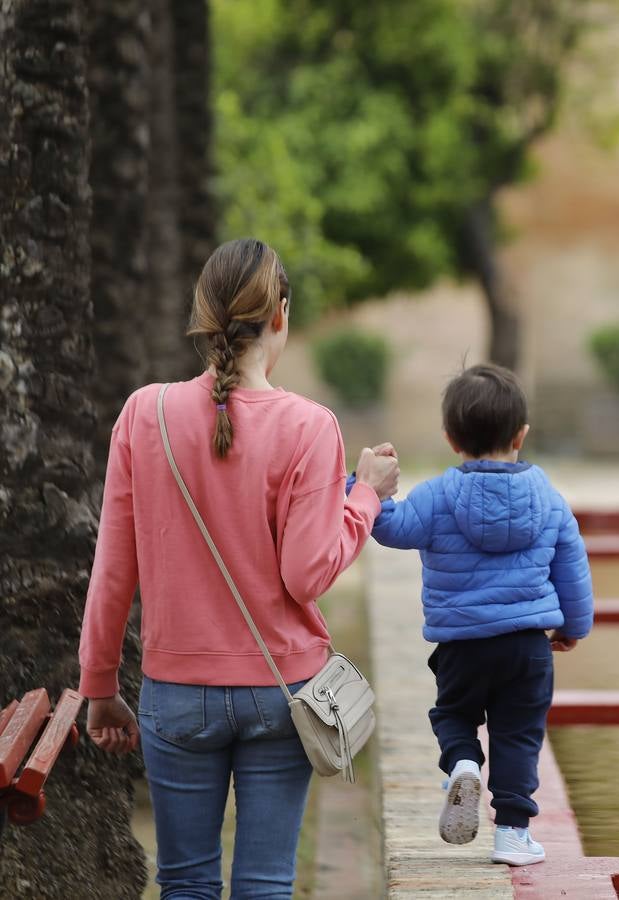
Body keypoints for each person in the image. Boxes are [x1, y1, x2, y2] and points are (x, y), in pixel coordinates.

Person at [77, 238, 400, 899]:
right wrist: (364, 494)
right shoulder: (310, 427)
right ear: (281, 313)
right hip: (281, 693)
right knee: (264, 885)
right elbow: (307, 575)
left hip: (175, 694)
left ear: (202, 315)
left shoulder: (145, 414)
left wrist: (100, 684)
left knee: (187, 883)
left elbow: (114, 564)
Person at [355, 363, 593, 866]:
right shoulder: (548, 498)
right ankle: (511, 833)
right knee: (518, 734)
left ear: (450, 439)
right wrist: (573, 626)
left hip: (461, 644)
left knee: (454, 714)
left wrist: (367, 485)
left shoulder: (438, 496)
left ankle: (462, 761)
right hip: (528, 646)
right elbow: (572, 567)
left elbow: (391, 529)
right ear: (521, 435)